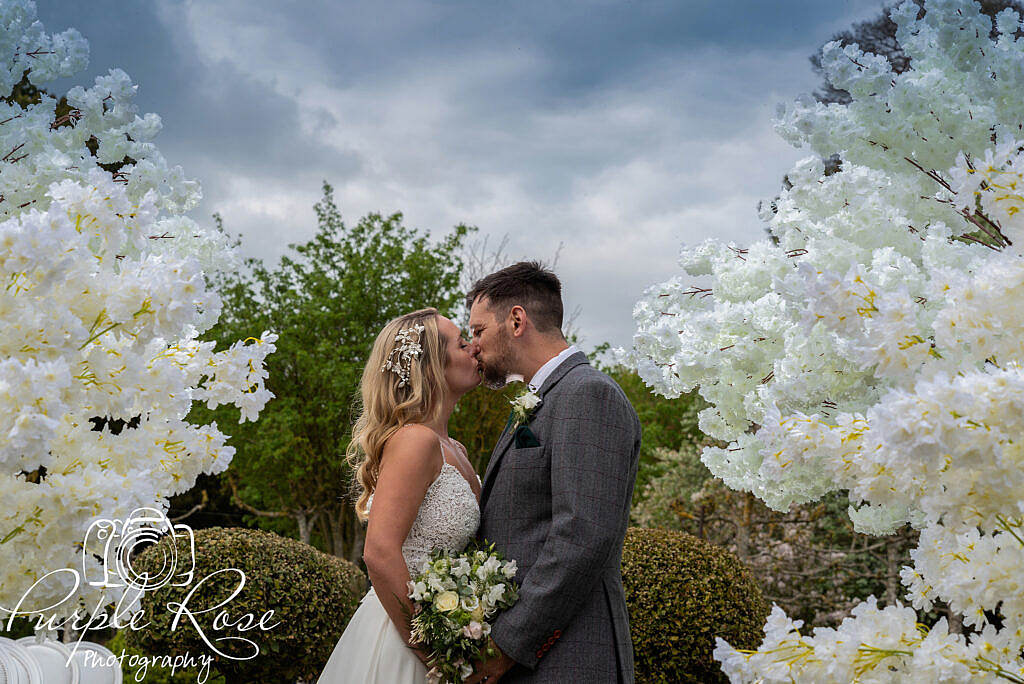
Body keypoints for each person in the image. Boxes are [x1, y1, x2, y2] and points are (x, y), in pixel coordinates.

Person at [463, 262, 641, 684]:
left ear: (517, 320)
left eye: (477, 330)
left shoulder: (587, 394)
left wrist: (504, 645)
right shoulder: (544, 398)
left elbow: (583, 535)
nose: (473, 346)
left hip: (569, 658)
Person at [317, 308, 484, 683]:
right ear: (431, 367)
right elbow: (379, 552)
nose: (475, 349)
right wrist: (433, 651)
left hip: (448, 625)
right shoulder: (415, 441)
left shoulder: (454, 447)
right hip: (405, 639)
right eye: (461, 343)